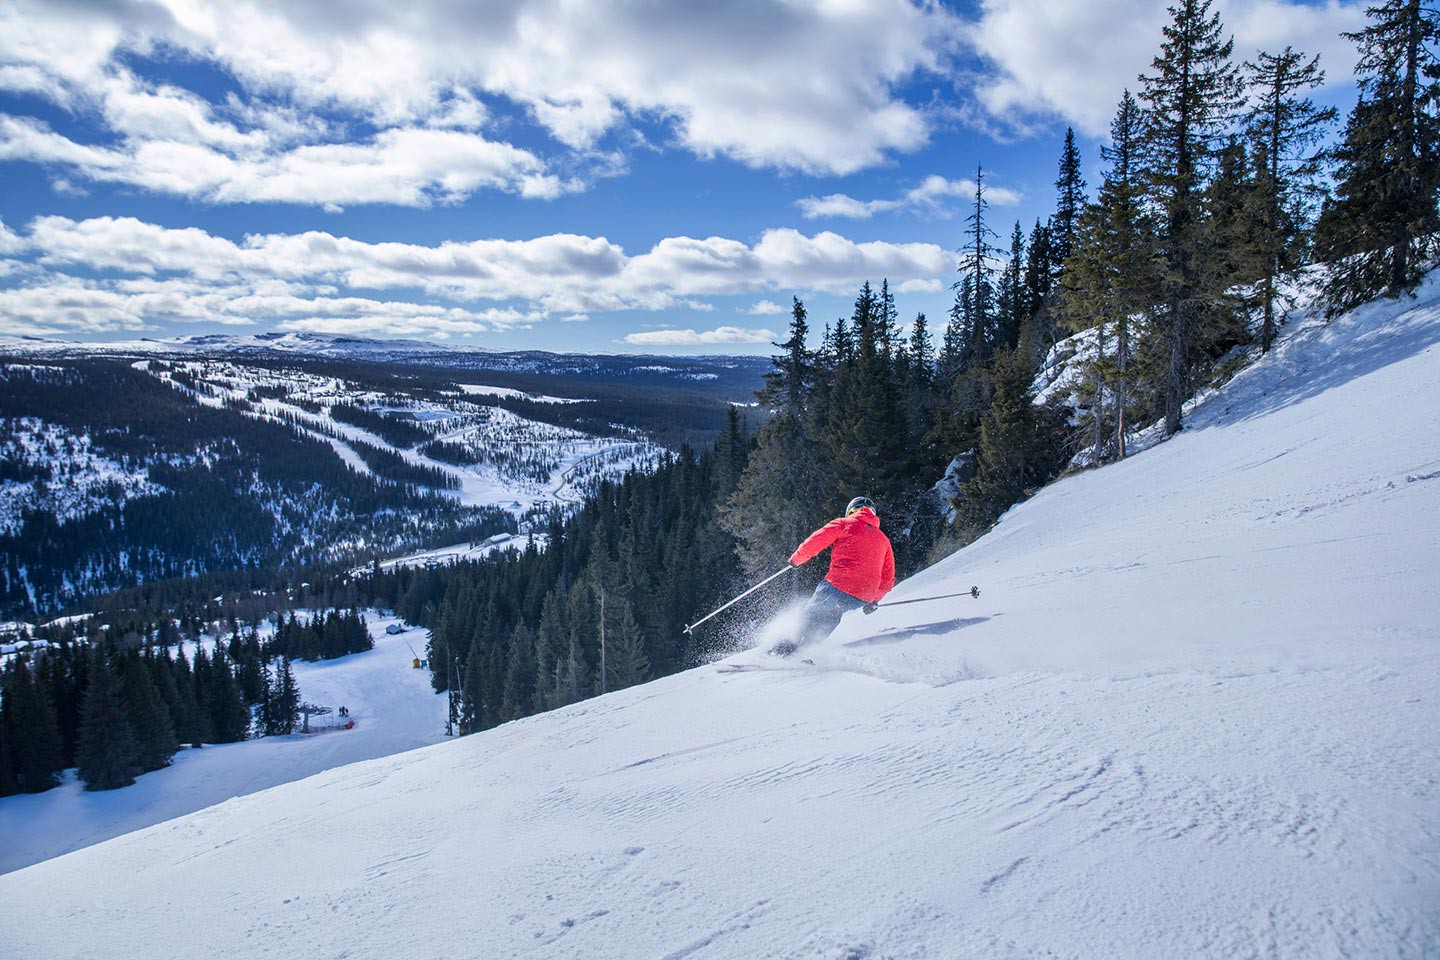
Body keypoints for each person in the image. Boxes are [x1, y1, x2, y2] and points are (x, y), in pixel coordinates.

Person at [772, 496, 895, 656]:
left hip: (838, 585)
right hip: (861, 598)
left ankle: (783, 649)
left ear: (851, 511)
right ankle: (805, 652)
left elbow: (816, 540)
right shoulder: (884, 540)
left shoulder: (845, 524)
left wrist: (796, 559)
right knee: (831, 617)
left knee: (812, 613)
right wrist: (875, 599)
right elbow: (888, 578)